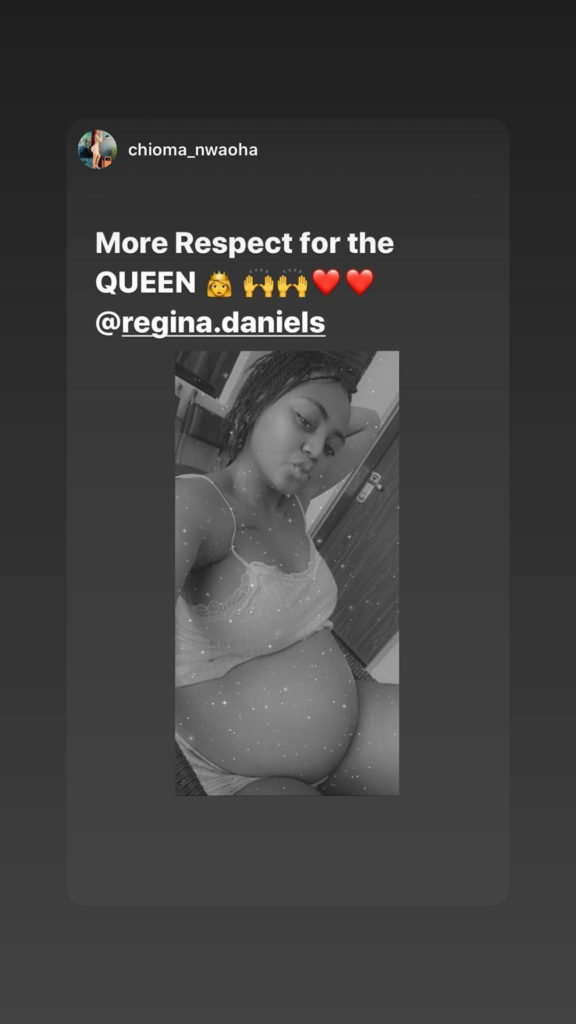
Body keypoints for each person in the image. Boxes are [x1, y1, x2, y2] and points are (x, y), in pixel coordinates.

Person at [175, 351, 399, 795]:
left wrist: (321, 409)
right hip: (240, 774)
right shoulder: (195, 505)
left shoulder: (297, 496)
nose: (316, 450)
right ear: (260, 400)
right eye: (304, 420)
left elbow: (371, 422)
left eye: (330, 444)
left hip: (352, 729)